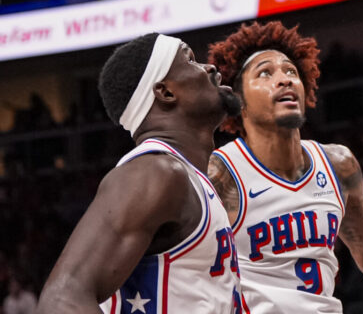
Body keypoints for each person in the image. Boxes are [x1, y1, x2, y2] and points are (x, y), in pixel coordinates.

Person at [205, 21, 363, 314]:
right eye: (265, 73)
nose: (284, 80)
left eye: (290, 71)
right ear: (238, 100)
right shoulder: (219, 175)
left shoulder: (338, 164)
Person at [37, 32, 245, 314]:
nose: (209, 67)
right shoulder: (155, 171)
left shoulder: (191, 178)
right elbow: (61, 299)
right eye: (191, 60)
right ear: (166, 92)